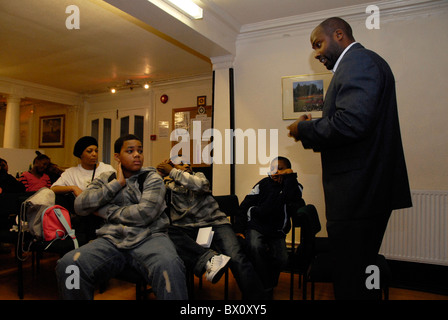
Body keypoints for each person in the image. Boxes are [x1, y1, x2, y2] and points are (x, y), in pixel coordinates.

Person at [287, 17, 412, 299]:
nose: (316, 53)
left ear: (339, 34)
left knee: (351, 280)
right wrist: (316, 124)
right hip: (366, 191)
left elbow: (352, 122)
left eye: (318, 44)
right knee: (360, 276)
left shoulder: (357, 62)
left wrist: (303, 129)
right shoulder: (361, 64)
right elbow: (354, 124)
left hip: (358, 193)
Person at [55, 134, 188, 300]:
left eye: (140, 150)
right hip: (112, 239)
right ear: (117, 156)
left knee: (171, 266)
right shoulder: (106, 179)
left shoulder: (152, 178)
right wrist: (116, 184)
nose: (137, 154)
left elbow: (144, 215)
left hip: (150, 238)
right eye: (130, 151)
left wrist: (105, 211)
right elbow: (80, 206)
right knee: (69, 265)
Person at [157, 156, 266, 300]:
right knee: (165, 231)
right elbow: (151, 196)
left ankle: (258, 300)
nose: (187, 165)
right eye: (181, 164)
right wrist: (160, 174)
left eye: (188, 163)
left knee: (236, 257)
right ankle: (209, 260)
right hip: (185, 228)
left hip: (215, 223)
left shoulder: (198, 177)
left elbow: (201, 185)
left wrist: (173, 171)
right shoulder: (167, 185)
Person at [234, 156, 305, 296]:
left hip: (276, 231)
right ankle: (265, 287)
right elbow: (244, 206)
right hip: (256, 225)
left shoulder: (293, 185)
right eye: (272, 168)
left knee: (282, 259)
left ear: (288, 170)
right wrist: (238, 229)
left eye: (281, 168)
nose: (276, 171)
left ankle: (267, 283)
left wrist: (289, 178)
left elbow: (295, 197)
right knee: (254, 246)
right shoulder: (262, 184)